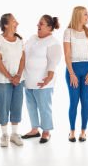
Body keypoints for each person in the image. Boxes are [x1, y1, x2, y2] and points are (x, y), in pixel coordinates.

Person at [21, 15, 61, 144]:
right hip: (28, 80)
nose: (38, 26)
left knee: (44, 107)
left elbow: (53, 62)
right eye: (38, 23)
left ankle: (46, 131)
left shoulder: (52, 41)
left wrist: (48, 78)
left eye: (41, 24)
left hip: (43, 82)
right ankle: (34, 129)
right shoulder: (33, 38)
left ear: (49, 27)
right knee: (31, 106)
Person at [64, 6, 88, 142]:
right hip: (73, 70)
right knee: (73, 101)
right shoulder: (68, 32)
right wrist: (71, 73)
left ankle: (83, 131)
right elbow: (67, 54)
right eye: (85, 14)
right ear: (78, 15)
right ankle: (72, 131)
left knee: (85, 101)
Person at [0, 13, 26, 147]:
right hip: (2, 80)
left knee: (17, 106)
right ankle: (4, 135)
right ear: (6, 25)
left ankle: (14, 134)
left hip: (18, 80)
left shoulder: (19, 40)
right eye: (14, 21)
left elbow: (23, 59)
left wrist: (18, 75)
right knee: (4, 107)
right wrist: (10, 77)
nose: (17, 23)